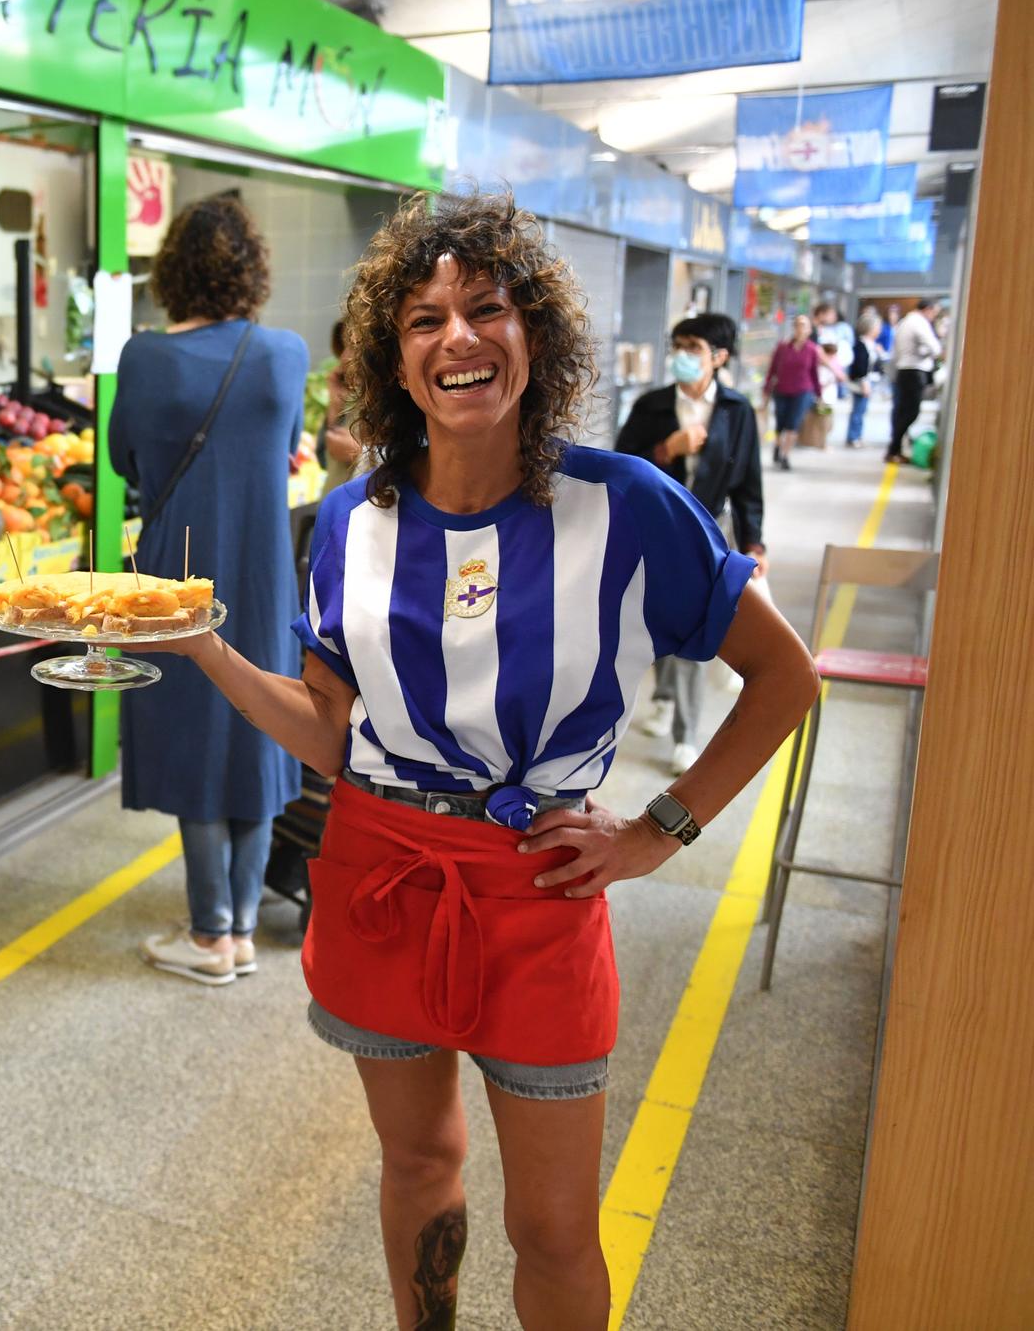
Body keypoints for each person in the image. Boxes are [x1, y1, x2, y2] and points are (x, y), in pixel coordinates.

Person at [129, 191, 817, 1327]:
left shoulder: (626, 505)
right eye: (421, 318)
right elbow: (332, 737)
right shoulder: (348, 522)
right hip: (379, 873)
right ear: (393, 361)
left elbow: (784, 674)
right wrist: (197, 643)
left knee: (549, 1223)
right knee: (413, 1169)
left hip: (541, 884)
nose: (455, 336)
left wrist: (657, 834)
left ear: (530, 338)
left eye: (484, 308)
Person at [108, 193, 306, 985]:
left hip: (176, 569)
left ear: (172, 271)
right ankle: (244, 928)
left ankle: (207, 931)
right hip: (263, 571)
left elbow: (126, 462)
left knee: (193, 733)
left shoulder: (144, 357)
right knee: (261, 726)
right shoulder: (284, 353)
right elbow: (288, 448)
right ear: (251, 267)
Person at [616, 312, 767, 774]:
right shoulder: (652, 406)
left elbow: (748, 482)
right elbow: (620, 465)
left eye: (693, 348)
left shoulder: (737, 412)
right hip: (656, 531)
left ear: (719, 358)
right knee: (657, 620)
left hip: (712, 534)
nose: (682, 356)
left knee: (701, 628)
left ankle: (686, 732)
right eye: (677, 345)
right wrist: (667, 451)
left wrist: (755, 542)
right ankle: (662, 697)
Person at [762, 313, 820, 471]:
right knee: (780, 423)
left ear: (809, 330)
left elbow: (814, 373)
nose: (801, 329)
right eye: (798, 325)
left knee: (793, 424)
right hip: (782, 389)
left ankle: (785, 455)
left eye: (804, 325)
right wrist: (766, 389)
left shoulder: (812, 350)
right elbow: (772, 370)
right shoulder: (782, 347)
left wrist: (819, 393)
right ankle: (777, 446)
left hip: (803, 390)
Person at [889, 297, 944, 462]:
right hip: (914, 371)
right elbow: (935, 347)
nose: (934, 317)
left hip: (904, 370)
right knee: (910, 412)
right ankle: (894, 449)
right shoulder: (918, 322)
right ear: (928, 309)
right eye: (934, 313)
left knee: (902, 412)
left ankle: (895, 448)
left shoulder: (906, 321)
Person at [321, 319, 364, 496]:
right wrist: (335, 408)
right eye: (344, 347)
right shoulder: (354, 398)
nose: (345, 357)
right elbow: (324, 461)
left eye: (354, 346)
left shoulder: (402, 404)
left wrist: (362, 454)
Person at [846, 310, 883, 448]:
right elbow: (860, 366)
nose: (878, 330)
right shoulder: (860, 345)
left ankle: (857, 435)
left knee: (862, 410)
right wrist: (864, 382)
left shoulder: (873, 345)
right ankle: (853, 436)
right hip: (862, 382)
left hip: (870, 380)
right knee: (858, 409)